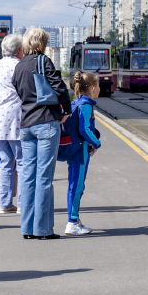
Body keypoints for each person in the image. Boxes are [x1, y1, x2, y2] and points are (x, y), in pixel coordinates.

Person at [12, 27, 70, 240]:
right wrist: (67, 110)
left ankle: (27, 229)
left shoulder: (19, 66)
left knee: (27, 177)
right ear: (42, 43)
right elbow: (60, 88)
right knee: (44, 178)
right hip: (46, 123)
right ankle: (43, 230)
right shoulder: (43, 61)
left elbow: (18, 90)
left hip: (26, 126)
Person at [59, 72, 102, 236]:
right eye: (98, 86)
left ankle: (74, 219)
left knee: (74, 185)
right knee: (77, 186)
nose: (99, 89)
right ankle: (72, 222)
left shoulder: (76, 102)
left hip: (75, 148)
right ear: (92, 88)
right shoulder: (86, 105)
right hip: (81, 150)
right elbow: (84, 129)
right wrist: (96, 143)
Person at [0, 33, 25, 215]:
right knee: (22, 162)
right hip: (15, 120)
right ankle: (23, 203)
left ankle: (5, 203)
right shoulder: (18, 66)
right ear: (19, 49)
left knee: (5, 163)